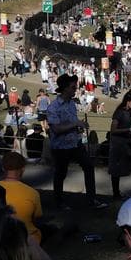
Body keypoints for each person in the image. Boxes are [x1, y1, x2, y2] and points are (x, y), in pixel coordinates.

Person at [46, 73, 106, 209]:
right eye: (73, 87)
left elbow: (71, 124)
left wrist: (79, 127)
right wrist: (76, 124)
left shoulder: (72, 104)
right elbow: (56, 129)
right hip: (60, 147)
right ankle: (59, 201)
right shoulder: (53, 107)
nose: (75, 89)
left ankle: (91, 199)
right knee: (61, 173)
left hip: (75, 144)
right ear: (65, 88)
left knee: (89, 167)